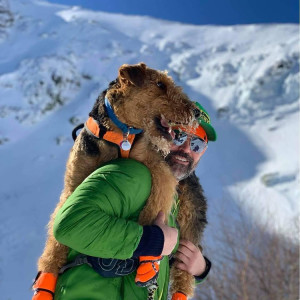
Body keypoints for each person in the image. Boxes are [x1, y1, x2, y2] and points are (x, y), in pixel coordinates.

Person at [52, 102, 217, 300]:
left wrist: (199, 268)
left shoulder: (176, 200)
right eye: (179, 135)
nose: (186, 149)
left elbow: (152, 252)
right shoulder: (131, 173)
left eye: (197, 143)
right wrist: (153, 240)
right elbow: (69, 225)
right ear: (159, 134)